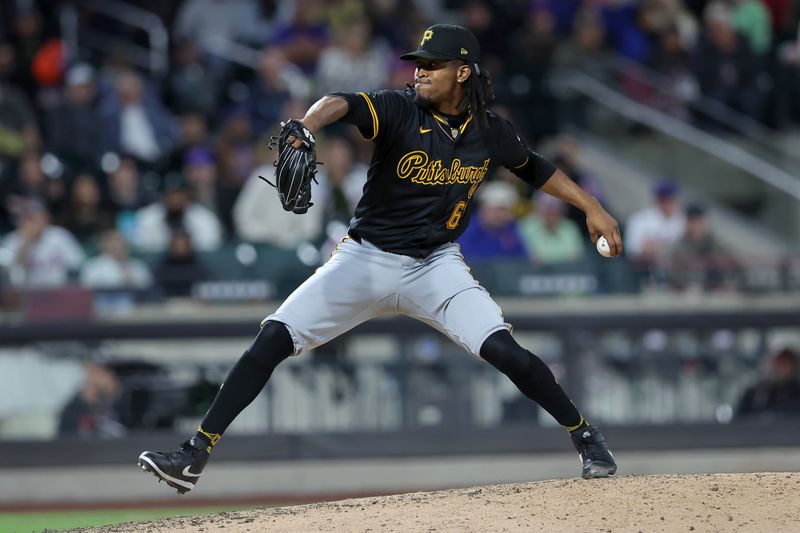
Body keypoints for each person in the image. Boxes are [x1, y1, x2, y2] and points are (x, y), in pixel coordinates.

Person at [138, 24, 622, 494]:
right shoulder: (397, 108)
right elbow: (339, 103)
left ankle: (586, 437)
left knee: (504, 350)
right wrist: (306, 126)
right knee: (273, 337)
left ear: (463, 72)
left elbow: (535, 167)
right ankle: (194, 453)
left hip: (436, 265)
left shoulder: (491, 131)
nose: (420, 72)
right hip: (365, 259)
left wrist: (593, 207)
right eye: (418, 64)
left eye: (433, 65)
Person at [736, 346, 800, 419]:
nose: (782, 367)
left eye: (786, 362)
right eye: (780, 362)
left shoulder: (797, 392)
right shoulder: (754, 394)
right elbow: (740, 420)